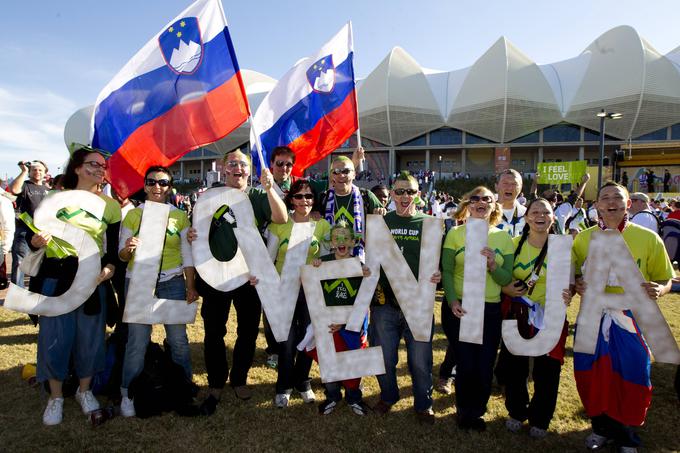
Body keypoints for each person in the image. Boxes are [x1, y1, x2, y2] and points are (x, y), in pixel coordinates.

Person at [573, 181, 673, 452]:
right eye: (604, 198)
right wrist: (577, 284)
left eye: (617, 197)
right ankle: (600, 429)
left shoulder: (647, 238)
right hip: (593, 315)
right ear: (597, 206)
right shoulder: (582, 239)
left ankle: (627, 436)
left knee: (633, 373)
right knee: (591, 374)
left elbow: (666, 277)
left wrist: (660, 289)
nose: (610, 202)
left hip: (632, 315)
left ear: (628, 204)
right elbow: (573, 277)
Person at [193, 149, 287, 415]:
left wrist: (270, 189)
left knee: (247, 332)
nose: (238, 168)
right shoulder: (210, 197)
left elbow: (281, 218)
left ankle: (239, 378)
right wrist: (191, 234)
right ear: (223, 169)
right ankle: (215, 382)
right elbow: (198, 234)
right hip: (215, 275)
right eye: (232, 163)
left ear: (250, 170)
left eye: (243, 164)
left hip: (248, 277)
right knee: (214, 332)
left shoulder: (256, 196)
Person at [30, 148, 121, 425]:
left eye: (103, 166)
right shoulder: (54, 198)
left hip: (91, 280)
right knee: (54, 338)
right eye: (93, 164)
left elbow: (113, 251)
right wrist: (37, 242)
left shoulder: (111, 206)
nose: (99, 169)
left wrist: (110, 267)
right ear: (78, 168)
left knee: (90, 339)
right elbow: (36, 239)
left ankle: (84, 391)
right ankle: (55, 397)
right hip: (57, 277)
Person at [117, 166, 198, 417]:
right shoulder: (132, 215)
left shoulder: (179, 216)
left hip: (172, 281)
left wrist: (191, 285)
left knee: (178, 341)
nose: (157, 187)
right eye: (151, 182)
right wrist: (128, 248)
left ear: (170, 186)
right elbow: (121, 256)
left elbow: (187, 253)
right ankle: (127, 392)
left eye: (163, 183)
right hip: (139, 280)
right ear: (144, 185)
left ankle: (184, 388)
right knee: (137, 342)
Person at [369, 172, 442, 425]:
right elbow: (370, 258)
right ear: (391, 194)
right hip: (385, 304)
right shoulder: (381, 222)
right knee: (385, 357)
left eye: (410, 191)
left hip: (418, 305)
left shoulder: (431, 223)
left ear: (418, 194)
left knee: (420, 360)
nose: (404, 197)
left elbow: (438, 261)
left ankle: (424, 404)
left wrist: (438, 273)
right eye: (399, 191)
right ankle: (388, 396)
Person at [442, 186, 514, 431]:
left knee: (484, 365)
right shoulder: (455, 234)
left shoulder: (504, 237)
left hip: (490, 309)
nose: (481, 202)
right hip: (459, 307)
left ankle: (477, 412)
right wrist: (452, 300)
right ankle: (463, 411)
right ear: (467, 204)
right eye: (475, 198)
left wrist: (493, 264)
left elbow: (506, 280)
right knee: (466, 363)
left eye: (487, 199)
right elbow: (448, 271)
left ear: (494, 205)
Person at [499, 198, 572, 438]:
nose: (540, 216)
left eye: (546, 212)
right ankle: (517, 412)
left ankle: (541, 418)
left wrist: (571, 289)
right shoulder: (512, 244)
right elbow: (501, 276)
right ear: (527, 217)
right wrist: (506, 288)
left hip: (551, 315)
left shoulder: (563, 246)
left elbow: (572, 279)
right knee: (515, 368)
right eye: (535, 212)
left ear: (553, 217)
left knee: (548, 369)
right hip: (518, 314)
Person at [255, 179, 330, 408]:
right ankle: (284, 385)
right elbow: (269, 257)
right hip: (284, 288)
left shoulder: (323, 225)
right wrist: (260, 277)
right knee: (286, 341)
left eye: (308, 196)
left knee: (307, 338)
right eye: (299, 196)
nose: (304, 201)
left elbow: (328, 256)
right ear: (291, 200)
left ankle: (303, 382)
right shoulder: (281, 224)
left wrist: (322, 262)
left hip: (312, 290)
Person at [310, 221, 372, 416]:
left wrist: (367, 277)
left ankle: (354, 397)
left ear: (353, 242)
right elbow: (314, 293)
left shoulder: (360, 267)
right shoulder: (323, 263)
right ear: (331, 242)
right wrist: (315, 269)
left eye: (346, 238)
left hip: (351, 324)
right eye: (337, 238)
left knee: (352, 359)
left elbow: (363, 300)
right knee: (329, 359)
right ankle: (332, 395)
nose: (342, 242)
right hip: (328, 324)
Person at [319, 156, 385, 261]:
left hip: (359, 260)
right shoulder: (323, 198)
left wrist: (381, 214)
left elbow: (384, 226)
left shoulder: (366, 196)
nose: (341, 175)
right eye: (336, 172)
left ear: (354, 174)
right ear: (331, 176)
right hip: (330, 259)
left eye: (346, 171)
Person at [9, 160, 49, 287]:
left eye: (40, 170)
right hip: (24, 230)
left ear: (45, 173)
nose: (37, 172)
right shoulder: (25, 185)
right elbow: (14, 189)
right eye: (34, 170)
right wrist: (24, 171)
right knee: (20, 262)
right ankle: (17, 293)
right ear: (30, 172)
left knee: (40, 263)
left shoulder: (48, 189)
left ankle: (35, 291)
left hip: (43, 232)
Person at [496, 169, 526, 237]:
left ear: (520, 188)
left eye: (514, 184)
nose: (509, 188)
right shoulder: (485, 215)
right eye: (505, 183)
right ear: (496, 186)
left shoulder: (528, 216)